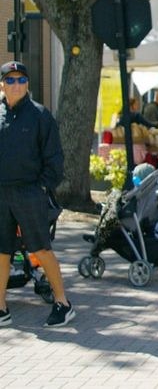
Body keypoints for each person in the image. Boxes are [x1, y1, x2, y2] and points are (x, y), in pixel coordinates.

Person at [0, 61, 76, 327]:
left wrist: (41, 188)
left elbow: (55, 158)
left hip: (30, 193)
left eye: (21, 80)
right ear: (2, 85)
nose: (16, 85)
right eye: (10, 80)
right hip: (1, 194)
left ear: (28, 84)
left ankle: (63, 303)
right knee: (1, 251)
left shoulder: (41, 116)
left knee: (41, 250)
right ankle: (1, 309)